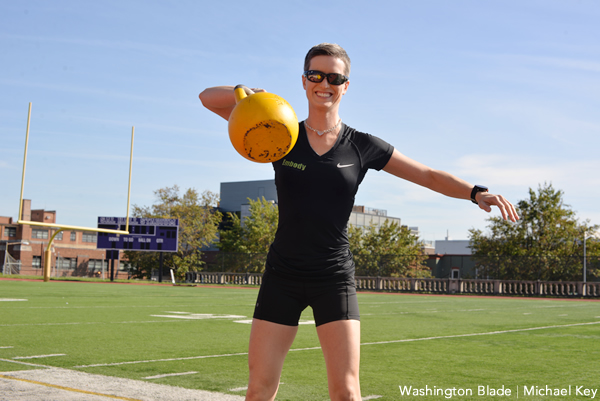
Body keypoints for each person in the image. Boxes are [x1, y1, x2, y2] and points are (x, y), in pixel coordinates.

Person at [199, 43, 519, 401]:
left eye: (335, 77)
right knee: (259, 390)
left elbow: (427, 175)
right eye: (315, 75)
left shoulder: (362, 146)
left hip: (333, 277)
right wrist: (247, 94)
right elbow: (207, 98)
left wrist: (476, 192)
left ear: (346, 85)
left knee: (347, 392)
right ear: (303, 82)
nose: (325, 83)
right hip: (282, 275)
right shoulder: (280, 133)